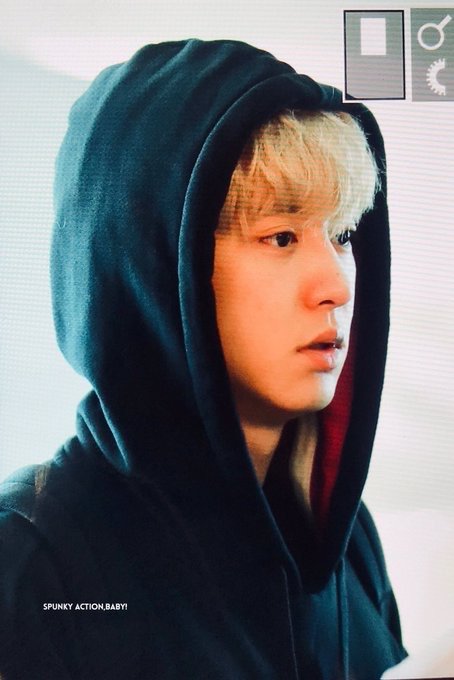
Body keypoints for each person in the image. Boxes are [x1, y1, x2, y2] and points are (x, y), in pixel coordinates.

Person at [0, 39, 407, 679]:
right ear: (155, 267)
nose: (337, 285)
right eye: (281, 236)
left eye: (343, 234)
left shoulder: (348, 542)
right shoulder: (33, 563)